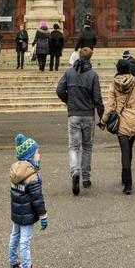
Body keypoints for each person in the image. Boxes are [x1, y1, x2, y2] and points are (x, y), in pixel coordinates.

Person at [56, 46, 104, 195]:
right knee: (87, 147)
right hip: (88, 115)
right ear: (90, 58)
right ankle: (86, 178)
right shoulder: (93, 75)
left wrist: (69, 101)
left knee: (73, 147)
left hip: (74, 115)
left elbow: (59, 90)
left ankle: (74, 171)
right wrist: (103, 117)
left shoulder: (69, 73)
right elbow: (97, 99)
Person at [100, 59, 135, 195]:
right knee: (130, 149)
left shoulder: (114, 85)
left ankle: (127, 183)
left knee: (124, 151)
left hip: (121, 122)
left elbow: (110, 106)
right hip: (134, 120)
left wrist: (103, 121)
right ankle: (127, 179)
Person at [8, 132, 48, 268]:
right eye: (37, 153)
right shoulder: (32, 177)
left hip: (16, 213)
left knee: (14, 237)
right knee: (25, 242)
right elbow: (37, 200)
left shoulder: (15, 171)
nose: (39, 155)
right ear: (30, 156)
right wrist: (43, 216)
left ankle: (13, 265)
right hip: (28, 214)